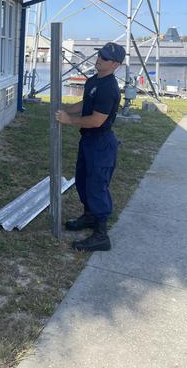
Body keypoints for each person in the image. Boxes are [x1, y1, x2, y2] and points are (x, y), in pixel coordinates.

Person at [54, 42, 126, 252]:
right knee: (83, 181)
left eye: (104, 58)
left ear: (115, 65)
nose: (99, 59)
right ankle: (89, 216)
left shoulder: (109, 88)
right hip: (88, 141)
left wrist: (69, 120)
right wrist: (65, 109)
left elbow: (96, 120)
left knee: (97, 185)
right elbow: (85, 104)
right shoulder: (94, 81)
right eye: (99, 55)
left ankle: (101, 235)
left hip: (101, 143)